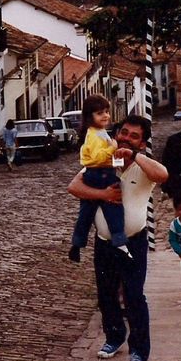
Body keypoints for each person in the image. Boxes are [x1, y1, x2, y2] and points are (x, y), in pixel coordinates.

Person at [68, 115, 168, 361]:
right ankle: (114, 336)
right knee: (106, 295)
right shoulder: (103, 162)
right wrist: (102, 195)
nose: (126, 138)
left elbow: (163, 175)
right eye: (123, 132)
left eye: (134, 136)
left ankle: (139, 352)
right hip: (104, 243)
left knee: (135, 297)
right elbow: (74, 186)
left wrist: (136, 156)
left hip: (134, 243)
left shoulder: (143, 166)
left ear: (143, 143)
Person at [69, 95, 132, 263]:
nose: (105, 116)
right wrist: (112, 147)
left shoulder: (97, 132)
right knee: (114, 208)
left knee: (86, 214)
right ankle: (120, 242)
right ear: (90, 117)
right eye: (100, 113)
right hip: (102, 175)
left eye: (106, 111)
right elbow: (97, 157)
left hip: (93, 174)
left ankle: (77, 244)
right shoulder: (95, 135)